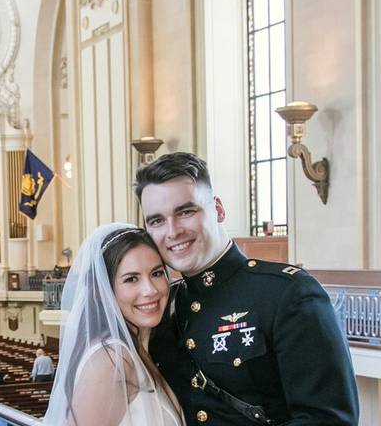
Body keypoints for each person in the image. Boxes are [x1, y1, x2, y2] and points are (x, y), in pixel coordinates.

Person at [137, 152, 359, 425]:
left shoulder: (287, 294)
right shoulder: (164, 306)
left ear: (218, 209)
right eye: (156, 220)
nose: (172, 232)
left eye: (185, 211)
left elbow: (329, 420)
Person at [43, 223, 183, 426]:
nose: (150, 290)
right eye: (131, 279)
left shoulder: (141, 350)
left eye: (157, 273)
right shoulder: (112, 360)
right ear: (105, 290)